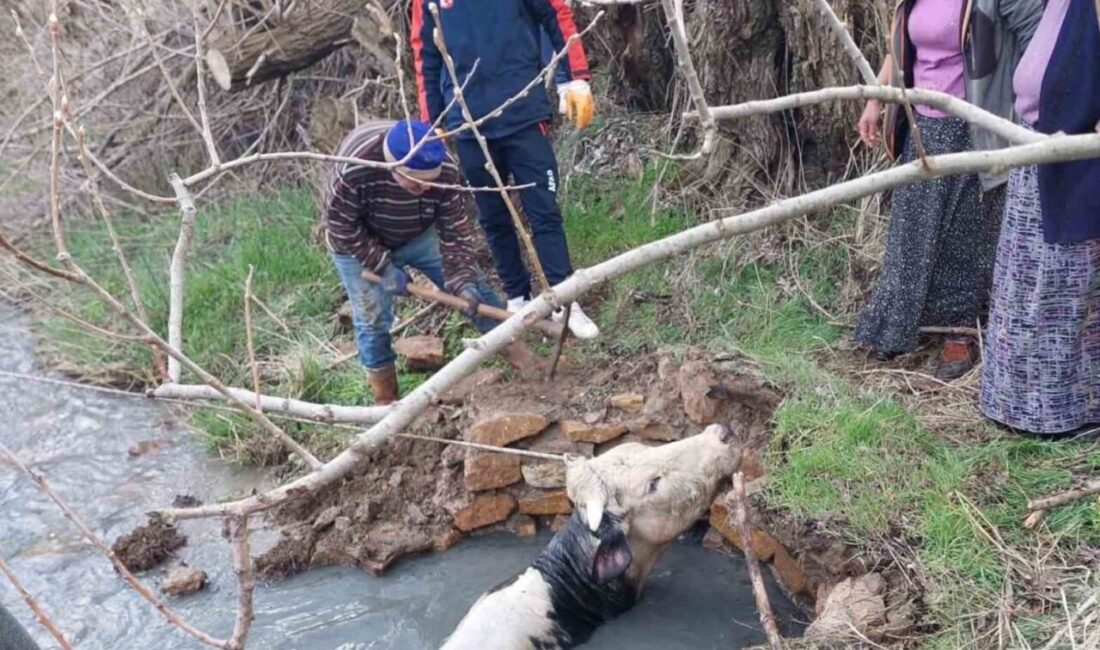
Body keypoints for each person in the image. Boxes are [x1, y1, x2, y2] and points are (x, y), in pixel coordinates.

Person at [855, 0, 1041, 380]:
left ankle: (960, 334)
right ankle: (897, 324)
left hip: (973, 127)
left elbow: (1036, 40)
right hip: (922, 126)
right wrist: (875, 100)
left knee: (965, 236)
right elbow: (898, 48)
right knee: (910, 231)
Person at [411, 0, 600, 339]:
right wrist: (431, 122)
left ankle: (565, 300)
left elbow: (555, 13)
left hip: (522, 110)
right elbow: (425, 54)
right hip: (467, 123)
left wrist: (574, 77)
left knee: (544, 211)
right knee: (493, 218)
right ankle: (517, 298)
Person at [322, 119, 539, 405]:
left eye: (430, 181)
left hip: (417, 232)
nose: (425, 187)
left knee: (478, 291)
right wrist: (382, 266)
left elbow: (455, 232)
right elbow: (340, 226)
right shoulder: (354, 169)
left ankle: (528, 363)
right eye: (416, 181)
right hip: (356, 243)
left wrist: (463, 280)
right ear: (393, 167)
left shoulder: (445, 169)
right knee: (372, 319)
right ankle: (386, 403)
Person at [980, 0, 1100, 439]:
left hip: (1075, 164)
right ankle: (1017, 407)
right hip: (1035, 152)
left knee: (1061, 292)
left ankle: (1063, 416)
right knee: (1023, 288)